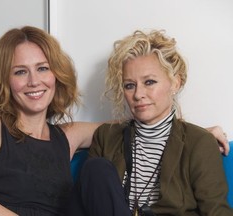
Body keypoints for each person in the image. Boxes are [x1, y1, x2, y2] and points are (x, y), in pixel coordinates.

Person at [0, 26, 229, 216]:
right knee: (97, 167)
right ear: (5, 80)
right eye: (20, 72)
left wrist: (200, 135)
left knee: (97, 168)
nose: (34, 81)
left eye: (42, 69)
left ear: (56, 76)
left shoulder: (67, 135)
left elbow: (144, 127)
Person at [67, 30, 233, 216]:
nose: (138, 94)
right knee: (95, 169)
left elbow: (217, 212)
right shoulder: (107, 137)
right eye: (130, 85)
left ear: (175, 83)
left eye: (149, 82)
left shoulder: (199, 142)